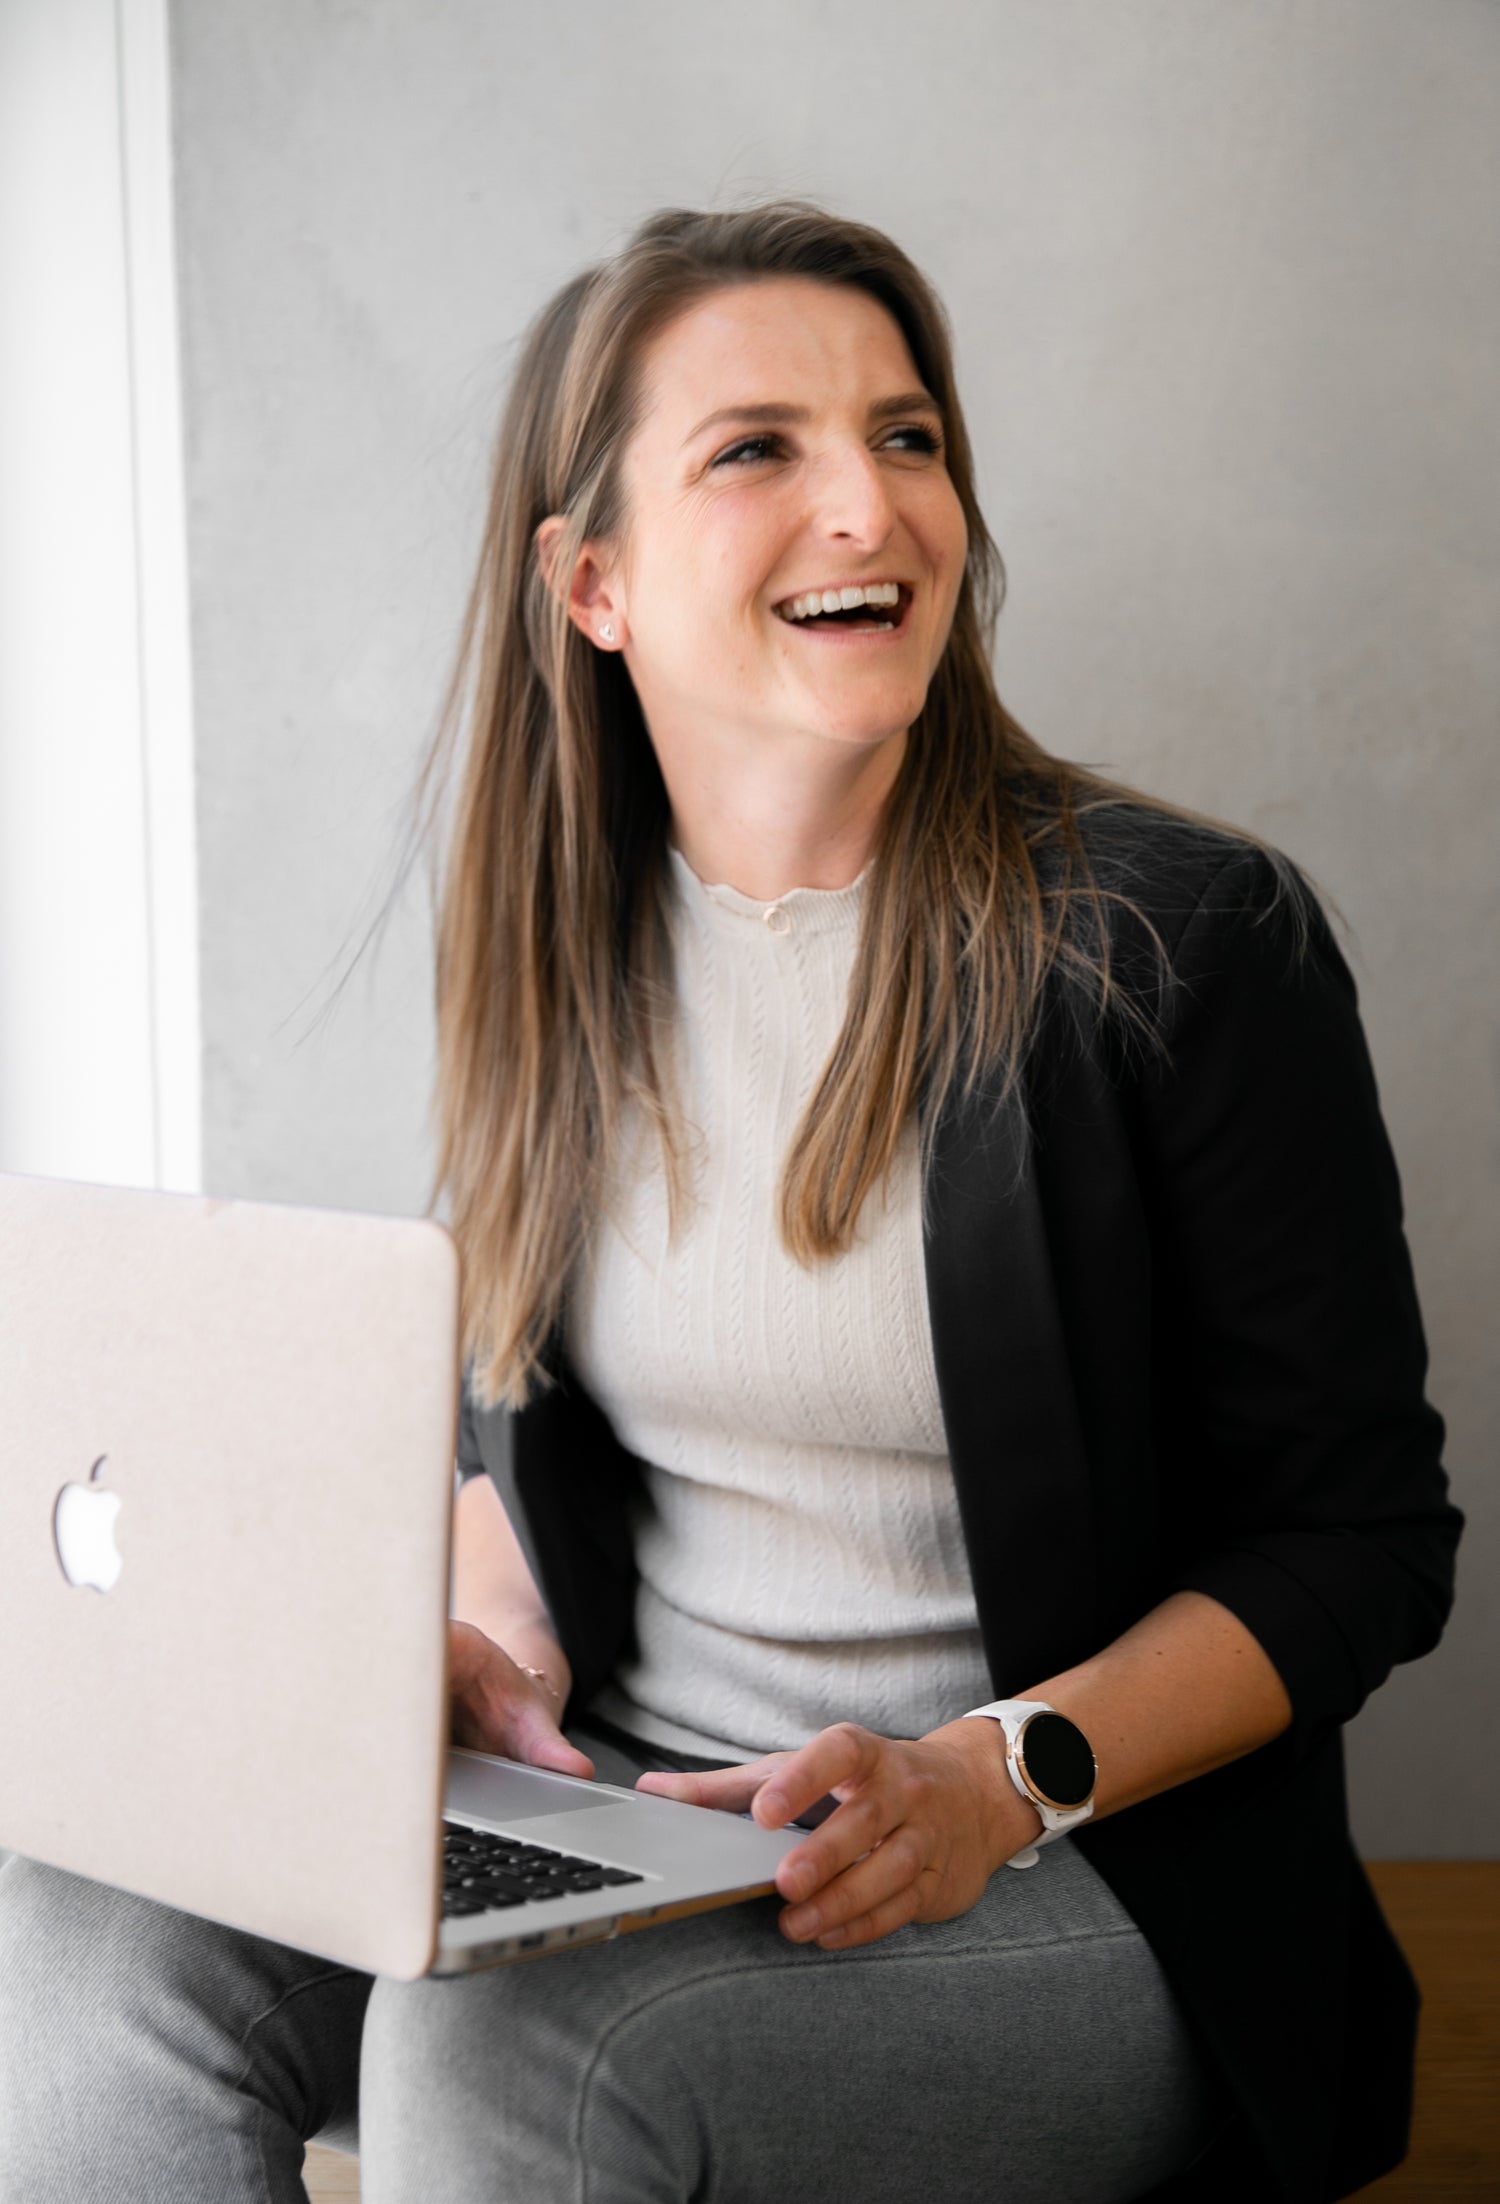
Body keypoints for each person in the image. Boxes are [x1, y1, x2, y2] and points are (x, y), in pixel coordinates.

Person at [0, 201, 1461, 2204]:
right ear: (589, 581)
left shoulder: (1183, 944)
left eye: (910, 435)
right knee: (79, 1916)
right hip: (643, 1825)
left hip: (1065, 1876)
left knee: (501, 2039)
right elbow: (522, 1439)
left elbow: (1362, 1541)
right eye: (759, 447)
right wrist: (459, 1634)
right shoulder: (553, 948)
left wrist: (984, 1776)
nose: (868, 505)